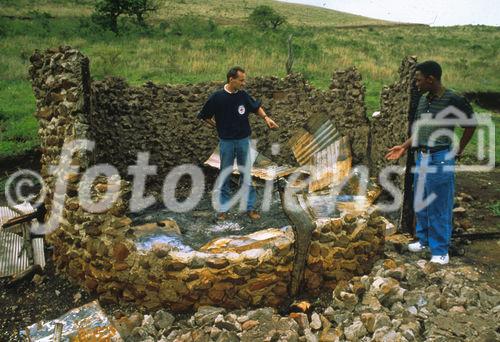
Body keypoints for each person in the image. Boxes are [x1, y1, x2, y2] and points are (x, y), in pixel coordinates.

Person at [385, 60, 476, 265]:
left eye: (418, 80)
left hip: (440, 156)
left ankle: (441, 250)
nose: (416, 84)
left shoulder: (453, 99)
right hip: (422, 156)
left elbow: (471, 124)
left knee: (438, 204)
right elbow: (421, 132)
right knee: (421, 200)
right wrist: (404, 147)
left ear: (430, 78)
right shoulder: (424, 100)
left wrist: (459, 149)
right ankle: (424, 240)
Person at [198, 66, 278, 221]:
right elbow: (204, 115)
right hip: (226, 142)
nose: (244, 83)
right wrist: (217, 126)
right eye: (241, 80)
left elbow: (256, 107)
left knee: (246, 174)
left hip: (243, 141)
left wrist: (266, 118)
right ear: (231, 79)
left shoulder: (242, 95)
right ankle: (223, 210)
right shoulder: (217, 97)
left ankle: (250, 208)